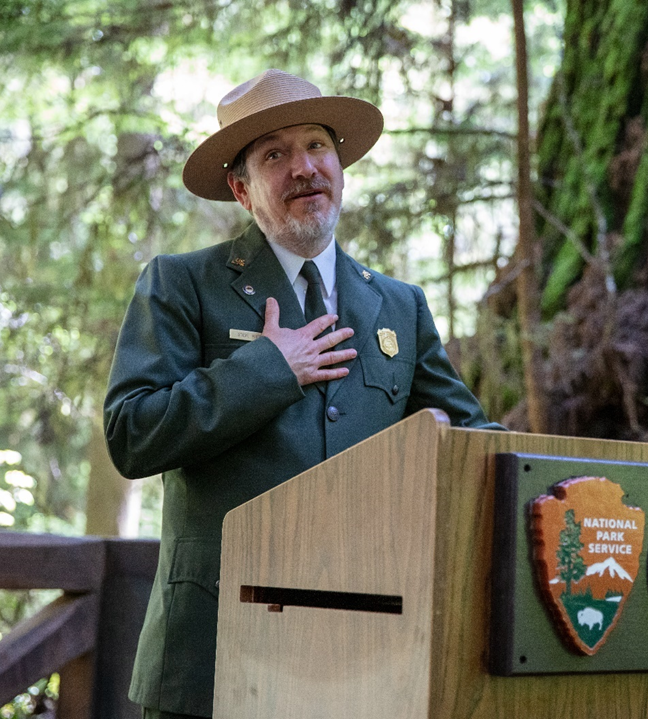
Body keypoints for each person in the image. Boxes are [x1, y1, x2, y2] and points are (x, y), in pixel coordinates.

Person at [103, 68, 502, 719]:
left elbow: (468, 441)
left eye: (317, 146)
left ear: (340, 166)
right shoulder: (181, 284)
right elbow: (131, 432)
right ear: (242, 189)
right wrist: (266, 368)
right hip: (212, 654)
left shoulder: (399, 305)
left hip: (365, 653)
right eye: (274, 154)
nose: (303, 168)